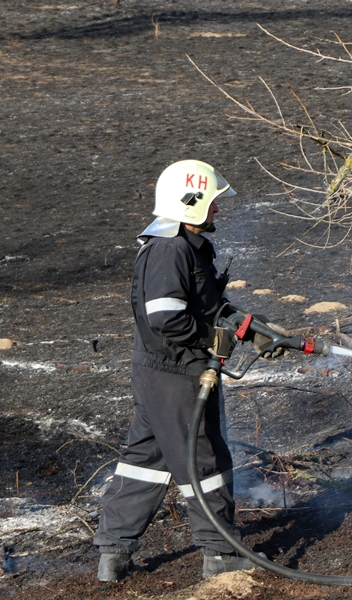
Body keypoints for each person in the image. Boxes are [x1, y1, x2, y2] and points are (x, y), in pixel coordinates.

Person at [94, 159, 268, 582]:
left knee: (146, 460)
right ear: (191, 203)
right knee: (203, 458)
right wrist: (213, 339)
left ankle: (113, 554)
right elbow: (166, 318)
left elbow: (201, 305)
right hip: (179, 373)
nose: (217, 210)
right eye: (211, 202)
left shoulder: (186, 245)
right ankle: (222, 554)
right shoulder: (171, 249)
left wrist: (249, 327)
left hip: (159, 372)